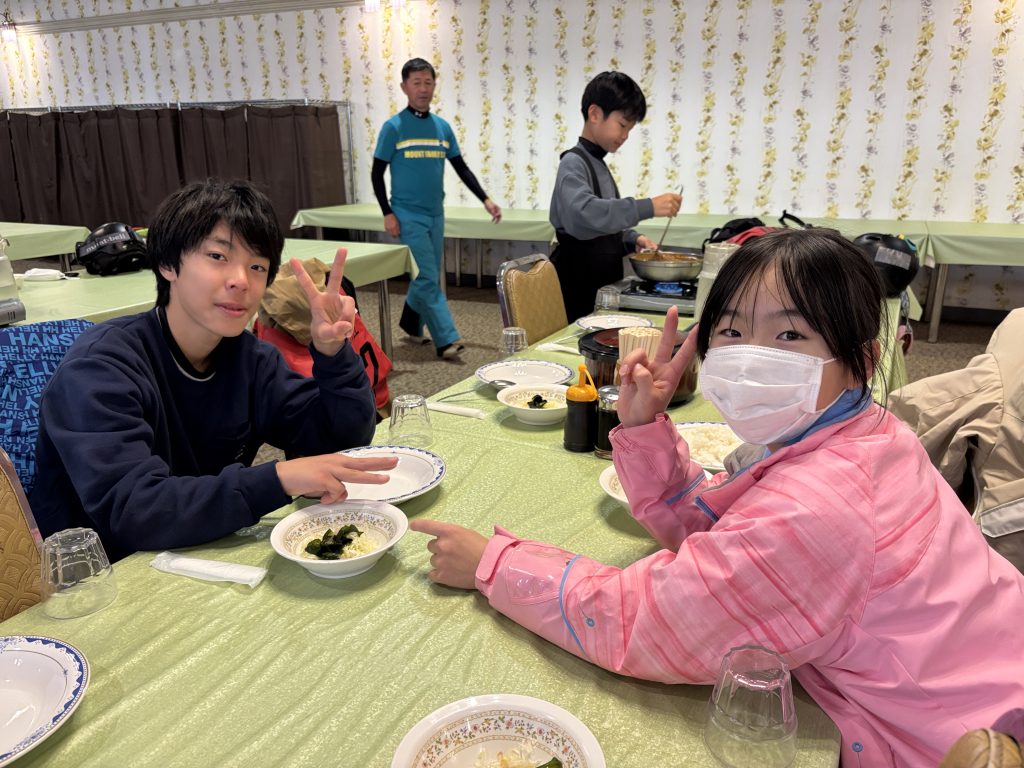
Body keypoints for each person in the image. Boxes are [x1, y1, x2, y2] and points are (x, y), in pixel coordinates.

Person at [410, 228, 1024, 767]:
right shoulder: (864, 431)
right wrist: (645, 429)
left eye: (789, 333)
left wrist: (494, 565)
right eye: (732, 330)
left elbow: (649, 619)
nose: (751, 358)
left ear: (861, 361)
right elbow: (732, 544)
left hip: (945, 738)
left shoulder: (820, 503)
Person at [30, 180, 396, 561]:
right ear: (168, 264)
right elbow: (134, 510)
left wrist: (333, 354)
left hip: (199, 547)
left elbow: (338, 442)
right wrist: (278, 478)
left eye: (257, 266)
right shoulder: (99, 368)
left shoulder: (252, 359)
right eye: (218, 256)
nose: (241, 280)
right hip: (102, 572)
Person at [371, 57, 502, 359]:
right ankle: (446, 339)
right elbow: (377, 173)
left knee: (425, 274)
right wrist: (387, 213)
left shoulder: (442, 128)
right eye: (416, 83)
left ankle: (410, 322)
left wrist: (486, 199)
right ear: (404, 87)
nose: (423, 88)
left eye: (428, 82)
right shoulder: (393, 128)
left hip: (435, 213)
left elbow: (461, 167)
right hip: (407, 214)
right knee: (428, 277)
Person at [549, 70, 682, 321]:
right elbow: (584, 215)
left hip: (600, 279)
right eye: (622, 125)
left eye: (629, 129)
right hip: (576, 282)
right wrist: (649, 206)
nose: (625, 136)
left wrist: (632, 238)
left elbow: (605, 224)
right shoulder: (573, 162)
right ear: (595, 114)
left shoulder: (598, 164)